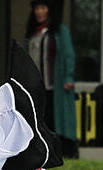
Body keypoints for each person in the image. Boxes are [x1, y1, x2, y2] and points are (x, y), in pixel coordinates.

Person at [26, 1, 77, 157]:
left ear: (49, 10)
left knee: (57, 119)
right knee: (41, 120)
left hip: (56, 85)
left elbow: (68, 54)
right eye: (37, 8)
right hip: (37, 86)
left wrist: (69, 76)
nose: (39, 12)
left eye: (43, 8)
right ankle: (43, 154)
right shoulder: (34, 33)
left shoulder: (59, 30)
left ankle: (65, 152)